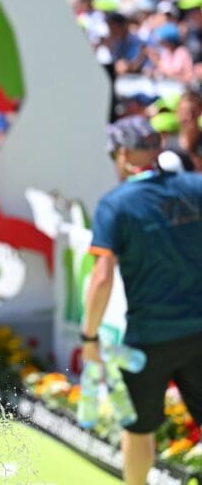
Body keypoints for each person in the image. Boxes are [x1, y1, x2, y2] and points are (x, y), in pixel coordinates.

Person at [81, 115, 202, 485]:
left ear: (122, 155)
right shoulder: (196, 186)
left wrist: (89, 338)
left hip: (148, 339)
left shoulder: (115, 204)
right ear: (159, 146)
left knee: (138, 430)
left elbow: (101, 278)